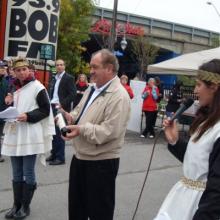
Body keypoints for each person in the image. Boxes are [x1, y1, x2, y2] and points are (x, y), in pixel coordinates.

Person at [63, 49, 131, 220]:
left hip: (101, 163)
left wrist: (81, 129)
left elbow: (110, 131)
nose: (90, 71)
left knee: (99, 213)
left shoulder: (119, 96)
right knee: (76, 210)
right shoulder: (92, 89)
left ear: (109, 68)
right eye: (90, 66)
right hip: (80, 158)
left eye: (95, 67)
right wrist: (70, 117)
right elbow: (79, 112)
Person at [154, 59, 220, 220]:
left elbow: (217, 188)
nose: (195, 91)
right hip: (183, 200)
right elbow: (198, 162)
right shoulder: (206, 120)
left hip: (202, 205)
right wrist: (175, 141)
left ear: (214, 87)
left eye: (198, 85)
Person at [1, 57, 55, 219]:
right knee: (16, 172)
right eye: (18, 70)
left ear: (29, 70)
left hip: (30, 132)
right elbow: (14, 108)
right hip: (15, 132)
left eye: (24, 69)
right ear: (15, 72)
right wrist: (8, 103)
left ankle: (25, 206)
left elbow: (45, 110)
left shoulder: (38, 87)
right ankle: (16, 205)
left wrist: (28, 116)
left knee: (28, 171)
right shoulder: (13, 86)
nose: (22, 72)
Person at [46, 59, 76, 165]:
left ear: (64, 66)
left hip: (61, 108)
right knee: (53, 133)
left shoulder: (69, 78)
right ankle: (54, 154)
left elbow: (73, 94)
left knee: (59, 133)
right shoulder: (54, 78)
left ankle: (60, 157)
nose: (59, 66)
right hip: (52, 106)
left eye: (61, 65)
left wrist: (62, 104)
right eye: (57, 65)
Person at [0, 60, 8, 162]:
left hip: (3, 111)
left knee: (1, 134)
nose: (3, 69)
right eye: (1, 68)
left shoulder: (6, 82)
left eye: (3, 68)